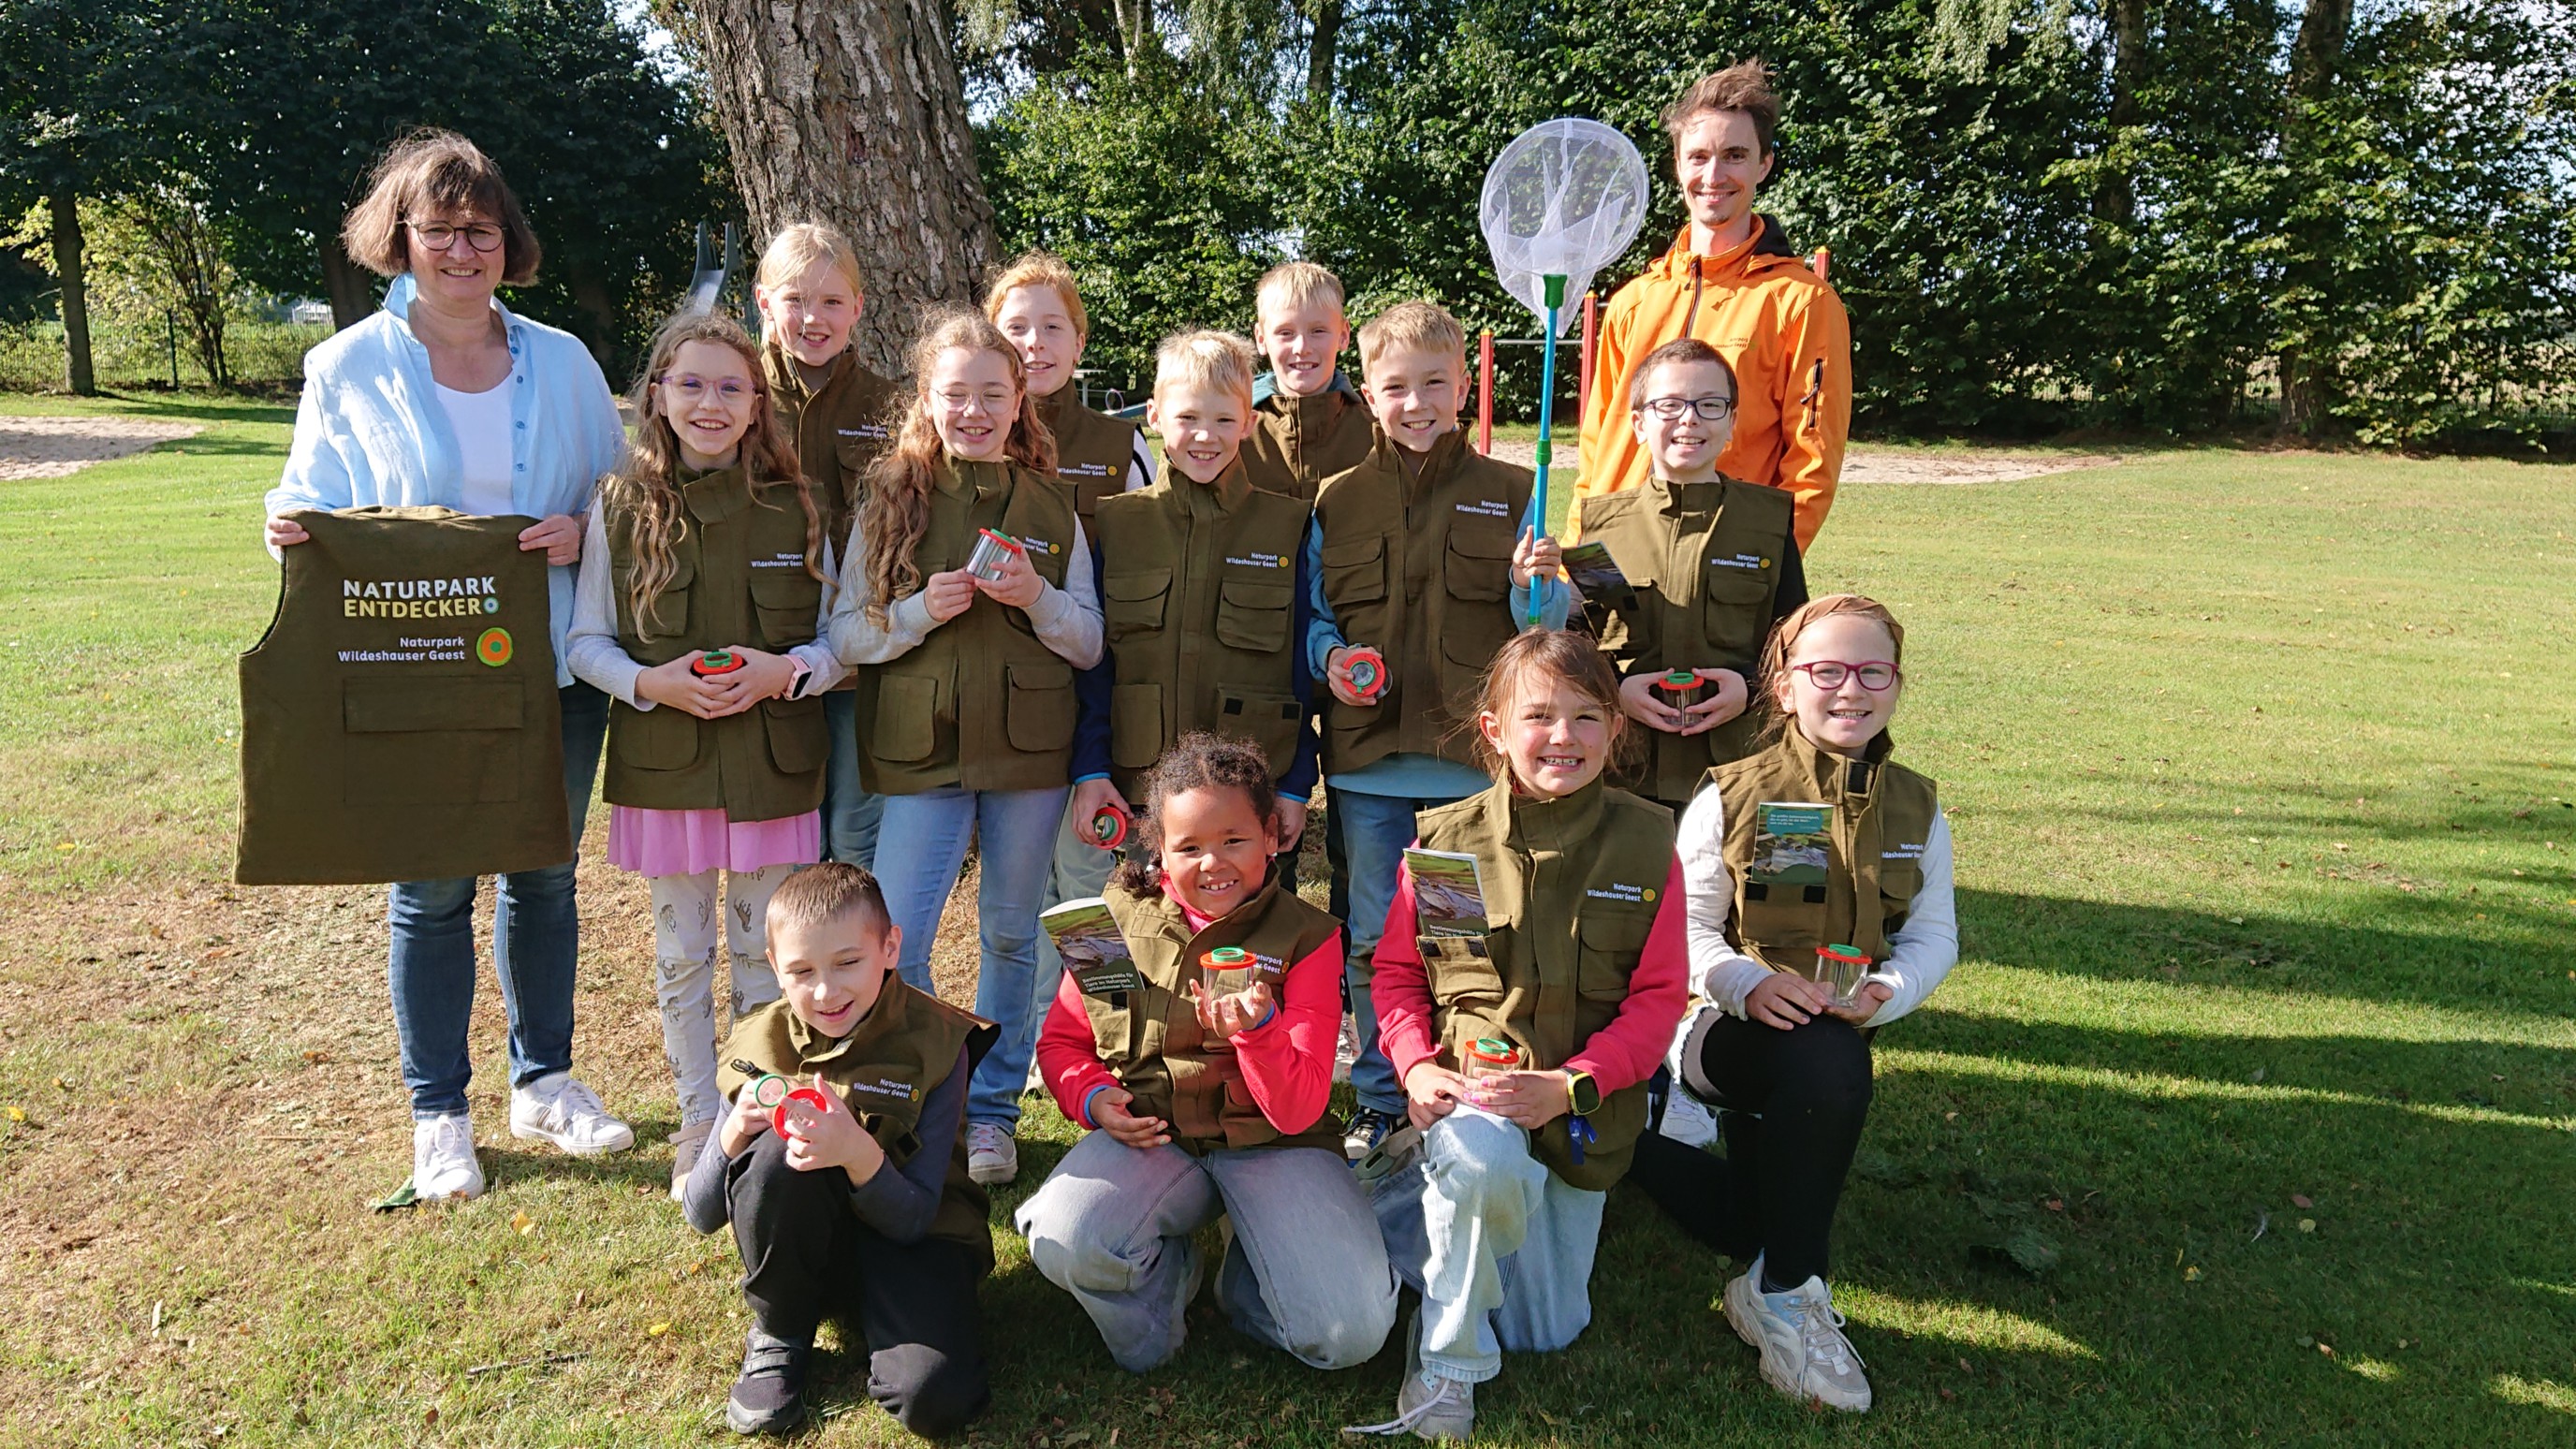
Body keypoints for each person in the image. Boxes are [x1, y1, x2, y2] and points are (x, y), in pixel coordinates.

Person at [262, 129, 631, 1202]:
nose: (462, 250)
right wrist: (288, 526)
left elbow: (621, 500)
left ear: (505, 241)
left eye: (481, 231)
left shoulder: (562, 360)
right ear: (402, 239)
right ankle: (438, 1114)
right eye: (440, 231)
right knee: (428, 893)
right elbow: (305, 495)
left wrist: (578, 529)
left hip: (549, 665)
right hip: (415, 670)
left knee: (544, 876)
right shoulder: (344, 367)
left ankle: (545, 1082)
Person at [1351, 630, 1688, 1441]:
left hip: (1580, 1114)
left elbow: (1658, 1001)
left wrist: (1572, 1083)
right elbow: (1397, 976)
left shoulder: (1648, 843)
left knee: (1545, 1330)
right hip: (1477, 1100)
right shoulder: (1446, 844)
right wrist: (1415, 1066)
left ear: (1616, 728)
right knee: (1486, 1161)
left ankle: (1402, 1207)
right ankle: (1445, 1362)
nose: (1563, 737)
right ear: (1495, 728)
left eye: (1585, 716)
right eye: (1538, 715)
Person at [1626, 593, 1957, 1414]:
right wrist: (1749, 983)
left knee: (1748, 1215)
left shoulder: (1917, 803)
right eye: (1827, 670)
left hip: (1828, 1036)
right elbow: (1685, 935)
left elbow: (1934, 936)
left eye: (1872, 670)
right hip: (1718, 1032)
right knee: (1831, 1064)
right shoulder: (1733, 793)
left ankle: (1620, 1147)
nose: (1851, 689)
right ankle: (1785, 1291)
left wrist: (1888, 992)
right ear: (1783, 687)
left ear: (1897, 683)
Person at [566, 314, 844, 1199]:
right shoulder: (618, 505)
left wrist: (786, 672)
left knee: (768, 955)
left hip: (773, 770)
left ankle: (755, 1113)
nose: (710, 403)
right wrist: (655, 685)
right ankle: (698, 1118)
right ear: (658, 395)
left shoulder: (798, 505)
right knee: (683, 956)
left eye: (731, 387)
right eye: (690, 384)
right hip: (669, 770)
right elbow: (585, 643)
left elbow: (842, 643)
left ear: (759, 402)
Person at [827, 307, 1104, 1191]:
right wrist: (917, 613)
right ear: (927, 398)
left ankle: (989, 1115)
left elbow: (1090, 641)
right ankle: (908, 1099)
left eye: (993, 394)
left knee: (1012, 935)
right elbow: (843, 639)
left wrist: (1036, 599)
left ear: (1021, 396)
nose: (975, 412)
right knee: (898, 935)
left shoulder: (1054, 506)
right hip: (923, 758)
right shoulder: (889, 499)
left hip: (1028, 759)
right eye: (956, 395)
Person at [1017, 733, 1398, 1372]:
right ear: (1158, 849)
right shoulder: (1110, 917)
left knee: (1347, 1336)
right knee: (1066, 1236)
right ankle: (1166, 1291)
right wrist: (1090, 1097)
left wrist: (1260, 1031)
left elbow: (1300, 1108)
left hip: (1275, 1146)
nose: (1213, 863)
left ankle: (1244, 1291)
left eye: (1234, 841)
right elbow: (1062, 1042)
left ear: (1274, 835)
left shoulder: (1310, 937)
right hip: (1156, 1138)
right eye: (1189, 847)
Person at [1306, 300, 1567, 1159]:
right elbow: (1314, 617)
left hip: (1466, 766)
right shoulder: (1336, 499)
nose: (1416, 403)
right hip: (1367, 763)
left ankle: (1465, 1082)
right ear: (1369, 396)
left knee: (1461, 932)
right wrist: (1330, 657)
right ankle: (1383, 1095)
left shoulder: (1508, 490)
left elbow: (1541, 625)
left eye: (1434, 385)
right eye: (1395, 388)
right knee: (1374, 934)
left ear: (1465, 386)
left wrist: (1540, 585)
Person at [682, 863, 997, 1439]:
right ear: (775, 968)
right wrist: (733, 1136)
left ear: (890, 947)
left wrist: (856, 1152)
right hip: (808, 1241)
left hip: (914, 1240)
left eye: (848, 962)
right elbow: (700, 1213)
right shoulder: (759, 1044)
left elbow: (915, 1218)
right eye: (802, 971)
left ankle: (880, 1319)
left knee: (935, 1397)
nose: (826, 991)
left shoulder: (936, 1041)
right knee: (781, 1147)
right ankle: (782, 1327)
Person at [983, 252, 1156, 1145]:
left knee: (1092, 900)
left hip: (1091, 697)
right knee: (1016, 917)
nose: (1035, 343)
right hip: (990, 710)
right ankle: (998, 1098)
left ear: (1081, 340)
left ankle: (1110, 1076)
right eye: (1017, 327)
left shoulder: (1117, 446)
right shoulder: (968, 429)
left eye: (1053, 326)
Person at [1573, 60, 1851, 552]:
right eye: (1698, 156)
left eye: (1735, 155)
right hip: (1614, 564)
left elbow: (1811, 463)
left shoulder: (1802, 303)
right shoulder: (1633, 302)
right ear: (1678, 164)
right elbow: (1597, 448)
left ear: (1764, 164)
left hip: (1721, 567)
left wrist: (1760, 567)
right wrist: (1580, 554)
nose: (1713, 175)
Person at [1088, 329, 1318, 846]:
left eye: (1222, 420)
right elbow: (1097, 662)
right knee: (1145, 921)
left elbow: (1300, 667)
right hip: (1137, 786)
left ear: (1249, 423)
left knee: (1251, 923)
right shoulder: (1121, 523)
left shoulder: (1286, 526)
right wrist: (1089, 768)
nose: (1205, 436)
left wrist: (1298, 784)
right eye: (1187, 418)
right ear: (1154, 415)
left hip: (1251, 787)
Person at [1570, 338, 1808, 812]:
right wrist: (1616, 692)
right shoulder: (1602, 528)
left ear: (1732, 423)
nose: (1689, 418)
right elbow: (1578, 642)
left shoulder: (1766, 523)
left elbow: (1796, 640)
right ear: (1639, 423)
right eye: (1669, 404)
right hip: (1627, 770)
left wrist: (1751, 687)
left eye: (1710, 404)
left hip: (1736, 767)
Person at [754, 222, 902, 871]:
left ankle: (853, 962)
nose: (814, 319)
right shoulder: (736, 393)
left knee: (853, 828)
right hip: (765, 646)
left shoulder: (893, 406)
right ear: (764, 303)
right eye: (795, 300)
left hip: (858, 660)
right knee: (784, 832)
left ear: (858, 308)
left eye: (832, 302)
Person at [1241, 260, 1376, 502]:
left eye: (1318, 331)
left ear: (1343, 336)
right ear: (1261, 339)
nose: (1302, 348)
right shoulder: (1237, 435)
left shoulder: (1377, 434)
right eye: (1285, 333)